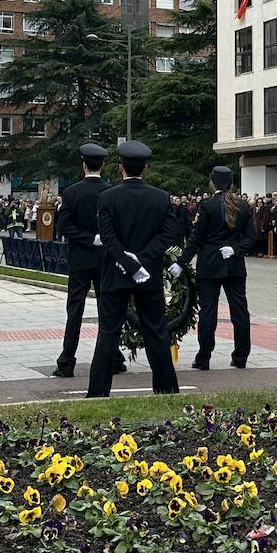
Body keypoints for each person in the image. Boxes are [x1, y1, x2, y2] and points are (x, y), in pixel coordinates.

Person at [86, 141, 181, 399]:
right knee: (156, 331)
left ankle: (97, 391)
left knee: (108, 332)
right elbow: (169, 234)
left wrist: (128, 262)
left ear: (120, 168)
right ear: (146, 167)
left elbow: (107, 237)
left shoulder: (107, 197)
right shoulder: (160, 197)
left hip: (116, 274)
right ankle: (166, 388)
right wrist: (143, 260)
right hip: (147, 274)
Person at [52, 143, 127, 380]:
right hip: (106, 259)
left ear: (83, 164)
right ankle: (113, 357)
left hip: (80, 259)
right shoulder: (111, 191)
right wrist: (102, 239)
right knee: (108, 309)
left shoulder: (71, 193)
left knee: (75, 310)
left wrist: (88, 238)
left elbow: (64, 227)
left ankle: (67, 361)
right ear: (103, 165)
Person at [180, 166, 255, 370]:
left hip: (210, 265)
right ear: (231, 183)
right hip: (234, 265)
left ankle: (204, 357)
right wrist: (235, 249)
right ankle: (241, 356)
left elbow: (196, 239)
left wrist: (181, 263)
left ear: (212, 183)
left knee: (208, 313)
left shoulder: (207, 206)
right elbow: (250, 238)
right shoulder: (242, 205)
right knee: (240, 312)